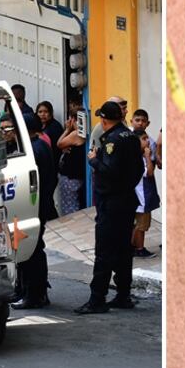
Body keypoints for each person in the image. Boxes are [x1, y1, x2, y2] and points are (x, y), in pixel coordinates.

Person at [76, 100, 144, 314]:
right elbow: (138, 169)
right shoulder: (131, 136)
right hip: (126, 200)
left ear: (104, 120)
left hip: (112, 202)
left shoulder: (113, 140)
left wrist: (94, 160)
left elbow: (110, 170)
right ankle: (123, 294)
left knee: (104, 251)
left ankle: (97, 299)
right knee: (124, 249)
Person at [12, 114, 57, 310]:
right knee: (34, 249)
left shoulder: (34, 151)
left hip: (33, 207)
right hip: (38, 205)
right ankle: (32, 292)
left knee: (30, 251)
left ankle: (34, 294)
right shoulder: (39, 146)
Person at [131, 128, 159, 258]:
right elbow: (149, 173)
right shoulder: (139, 159)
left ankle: (133, 246)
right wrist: (148, 157)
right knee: (141, 226)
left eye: (147, 138)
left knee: (138, 224)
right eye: (143, 139)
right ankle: (139, 248)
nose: (147, 141)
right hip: (142, 198)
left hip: (141, 197)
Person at [57, 103, 87, 215]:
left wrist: (67, 130)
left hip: (70, 176)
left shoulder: (76, 134)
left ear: (73, 119)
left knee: (69, 205)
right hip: (78, 175)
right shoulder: (84, 133)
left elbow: (59, 143)